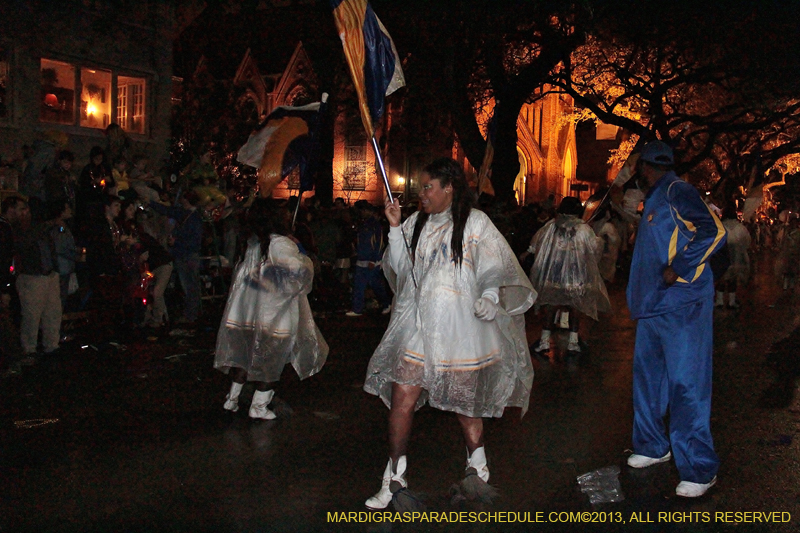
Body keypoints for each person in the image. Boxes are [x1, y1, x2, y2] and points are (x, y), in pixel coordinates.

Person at [363, 158, 536, 509]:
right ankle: (394, 476)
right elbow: (400, 268)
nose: (421, 193)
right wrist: (395, 229)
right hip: (420, 327)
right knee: (402, 398)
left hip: (462, 329)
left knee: (465, 404)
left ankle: (478, 464)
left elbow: (491, 266)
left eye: (428, 187)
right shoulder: (416, 222)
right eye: (421, 187)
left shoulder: (476, 222)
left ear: (449, 188)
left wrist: (488, 295)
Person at [626, 140, 726, 498]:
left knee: (687, 385)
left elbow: (714, 231)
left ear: (644, 166)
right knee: (649, 380)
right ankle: (653, 446)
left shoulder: (677, 190)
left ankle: (699, 468)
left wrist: (680, 268)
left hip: (683, 305)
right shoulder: (655, 196)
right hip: (653, 307)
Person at [214, 199, 328, 419]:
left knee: (244, 357)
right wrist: (304, 258)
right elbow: (298, 273)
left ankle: (232, 399)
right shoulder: (279, 244)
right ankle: (259, 406)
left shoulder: (252, 243)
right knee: (271, 360)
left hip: (246, 314)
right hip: (274, 315)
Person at [526, 196, 610, 357]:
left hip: (553, 276)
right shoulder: (584, 229)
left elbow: (536, 243)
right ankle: (573, 342)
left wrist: (528, 253)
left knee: (550, 305)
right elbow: (594, 249)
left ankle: (544, 341)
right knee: (575, 307)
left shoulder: (551, 226)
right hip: (576, 277)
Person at [148, 190, 203, 325]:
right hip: (183, 255)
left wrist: (176, 242)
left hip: (188, 256)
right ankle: (192, 314)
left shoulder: (194, 218)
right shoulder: (186, 215)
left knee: (189, 286)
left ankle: (191, 315)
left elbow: (195, 241)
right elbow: (168, 210)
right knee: (190, 286)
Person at [346, 201, 392, 316]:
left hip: (371, 260)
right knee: (360, 284)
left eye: (363, 210)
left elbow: (378, 243)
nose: (361, 213)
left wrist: (374, 259)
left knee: (374, 284)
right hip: (362, 258)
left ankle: (386, 303)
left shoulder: (375, 225)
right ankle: (357, 308)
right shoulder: (363, 224)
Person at [716, 206, 751, 308]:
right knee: (733, 279)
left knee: (721, 278)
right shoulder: (740, 227)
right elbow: (747, 241)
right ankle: (731, 302)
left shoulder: (720, 226)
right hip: (737, 257)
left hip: (722, 256)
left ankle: (719, 301)